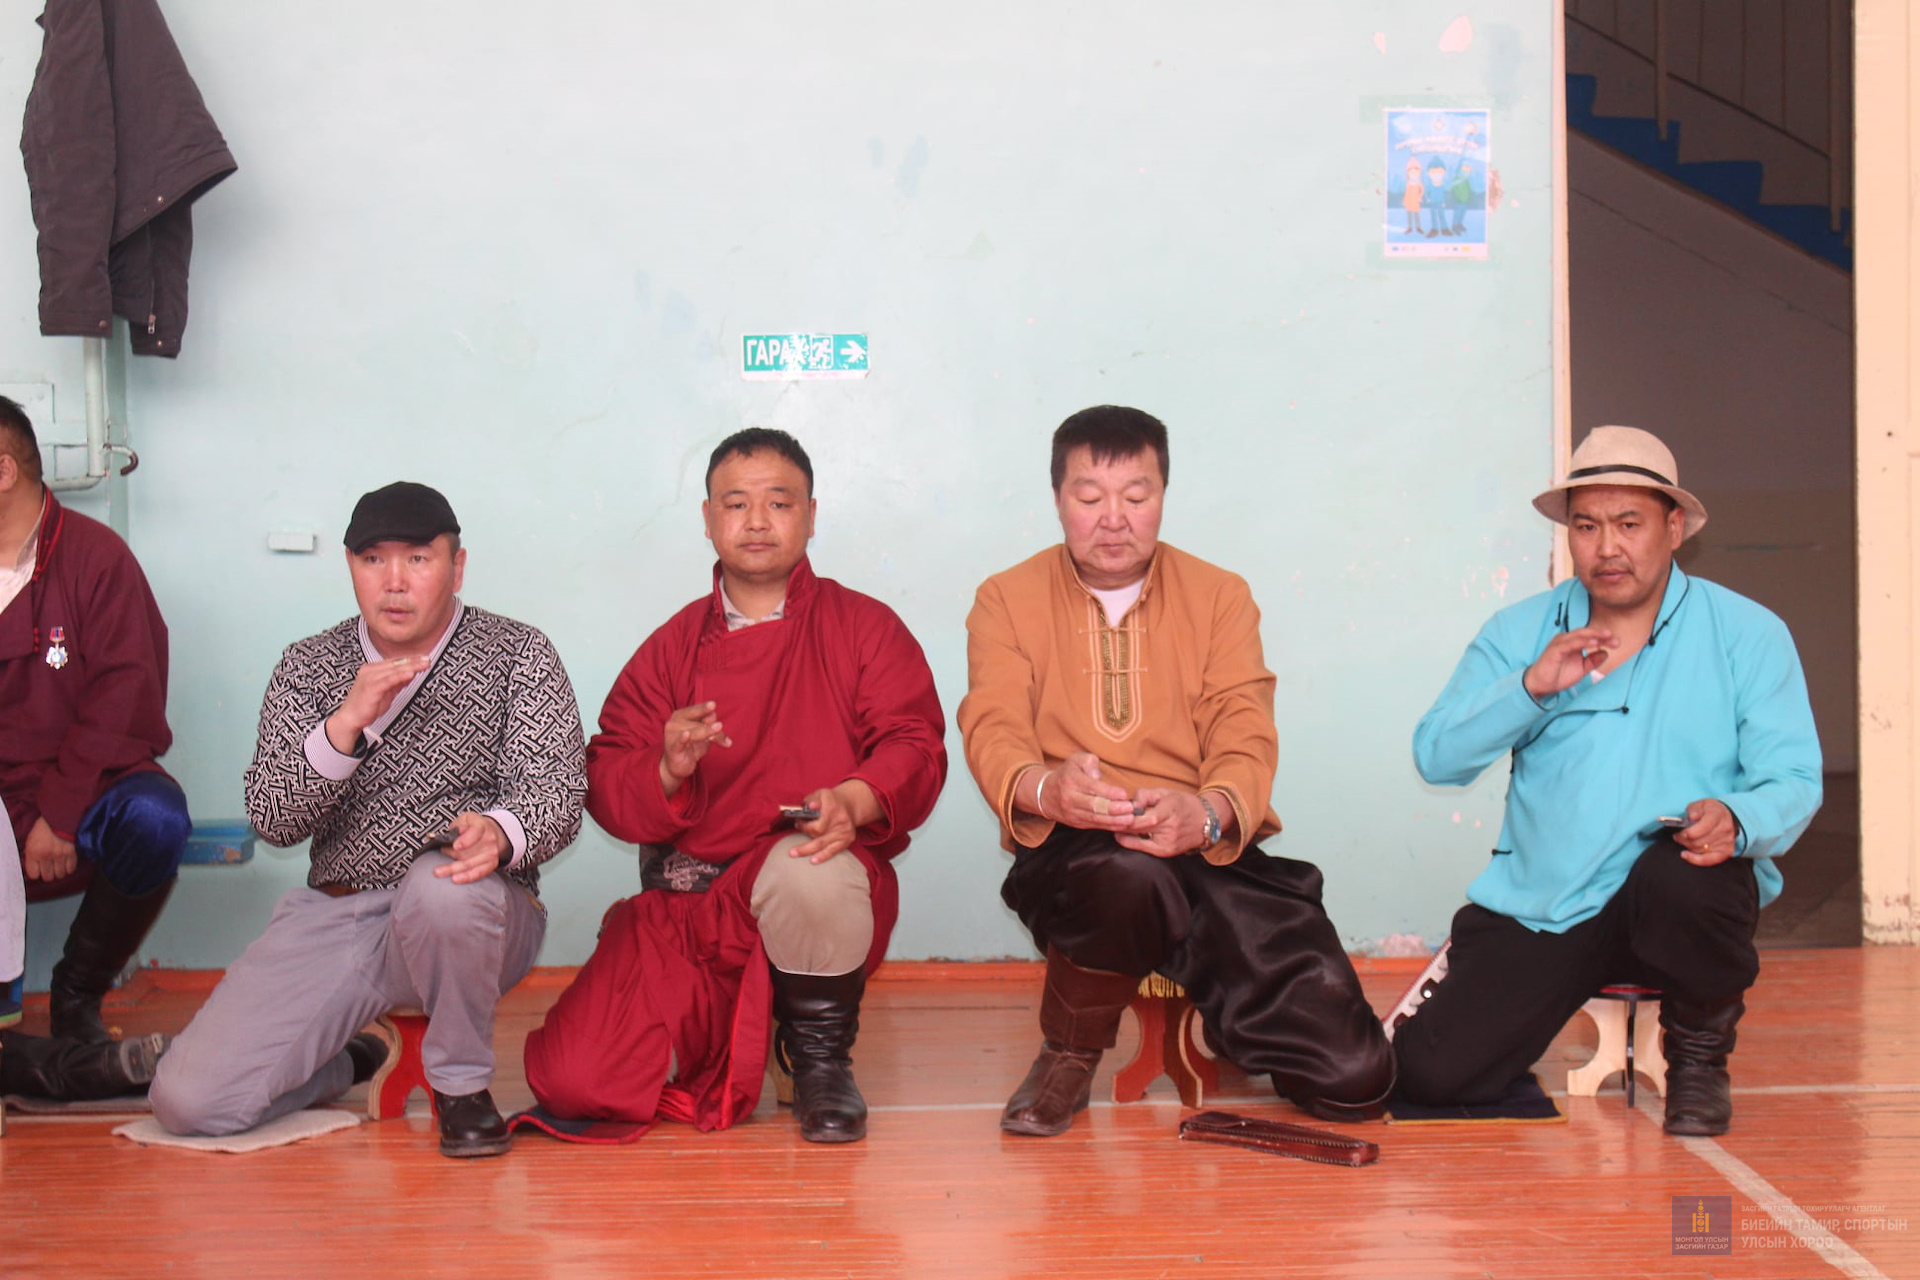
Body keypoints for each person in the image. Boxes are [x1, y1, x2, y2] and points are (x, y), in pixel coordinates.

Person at [957, 405, 1393, 1137]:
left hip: (1201, 846)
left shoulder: (1220, 595)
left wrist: (1209, 813)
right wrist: (1048, 790)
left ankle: (1232, 1017)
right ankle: (1068, 1052)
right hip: (1078, 852)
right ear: (1058, 498)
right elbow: (992, 726)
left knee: (1356, 1082)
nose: (1113, 519)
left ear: (1164, 494)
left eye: (1136, 495)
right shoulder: (1006, 597)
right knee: (1131, 878)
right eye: (1089, 497)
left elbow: (1243, 728)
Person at [525, 428, 946, 1145]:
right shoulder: (671, 647)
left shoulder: (864, 628)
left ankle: (818, 1060)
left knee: (808, 864)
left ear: (810, 515)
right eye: (736, 503)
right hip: (687, 916)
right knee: (574, 1081)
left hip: (802, 890)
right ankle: (728, 1033)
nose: (757, 522)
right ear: (707, 518)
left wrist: (853, 800)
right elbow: (606, 771)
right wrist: (667, 768)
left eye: (779, 503)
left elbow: (914, 744)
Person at [1398, 426, 1822, 1136]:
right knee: (1429, 1075)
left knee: (1689, 873)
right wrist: (1531, 687)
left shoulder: (1748, 633)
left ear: (1674, 527)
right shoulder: (1519, 632)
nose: (1606, 548)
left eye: (1629, 524)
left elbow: (1795, 778)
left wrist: (1738, 818)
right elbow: (1437, 757)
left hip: (1680, 896)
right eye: (1587, 526)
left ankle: (1699, 1061)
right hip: (1550, 900)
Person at [150, 482, 586, 1157]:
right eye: (373, 560)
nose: (394, 582)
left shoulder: (518, 653)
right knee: (189, 1103)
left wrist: (500, 834)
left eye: (418, 559)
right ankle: (349, 1061)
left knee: (441, 886)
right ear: (351, 567)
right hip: (340, 917)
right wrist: (344, 726)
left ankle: (461, 1088)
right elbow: (273, 819)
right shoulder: (309, 664)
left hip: (473, 915)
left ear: (457, 568)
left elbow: (557, 791)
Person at [0, 394, 189, 1051]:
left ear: (3, 470)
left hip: (81, 790)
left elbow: (124, 693)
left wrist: (59, 813)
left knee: (155, 818)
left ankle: (77, 993)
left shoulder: (95, 558)